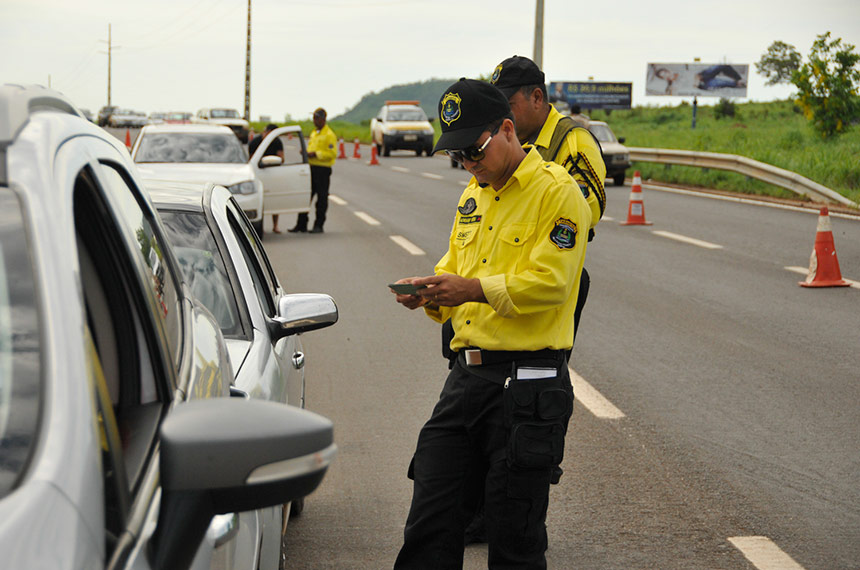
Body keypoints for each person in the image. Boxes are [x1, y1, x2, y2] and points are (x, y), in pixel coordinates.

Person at [391, 78, 591, 569]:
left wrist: (473, 289)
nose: (470, 163)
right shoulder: (473, 196)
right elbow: (454, 266)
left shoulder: (558, 194)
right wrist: (432, 293)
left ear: (507, 129)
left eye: (475, 150)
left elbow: (552, 283)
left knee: (513, 540)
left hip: (527, 387)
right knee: (429, 525)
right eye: (458, 155)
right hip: (466, 380)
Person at [288, 108, 337, 234]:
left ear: (323, 119)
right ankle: (301, 224)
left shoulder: (329, 135)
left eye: (316, 118)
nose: (314, 121)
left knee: (321, 199)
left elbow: (332, 153)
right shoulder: (314, 133)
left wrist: (315, 154)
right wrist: (305, 153)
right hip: (311, 168)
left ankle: (318, 225)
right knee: (305, 197)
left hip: (322, 169)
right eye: (314, 118)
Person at [248, 123, 285, 232]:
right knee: (259, 199)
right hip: (259, 171)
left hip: (273, 172)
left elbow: (282, 158)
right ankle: (259, 227)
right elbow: (251, 160)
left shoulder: (277, 142)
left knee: (275, 198)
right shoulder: (255, 142)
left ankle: (275, 225)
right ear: (266, 131)